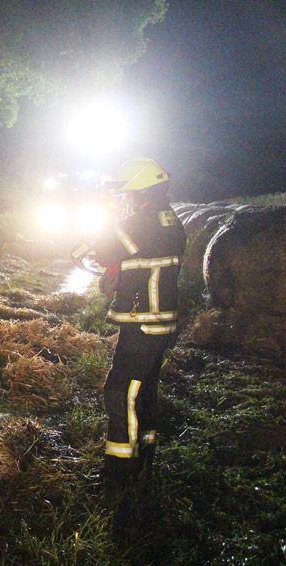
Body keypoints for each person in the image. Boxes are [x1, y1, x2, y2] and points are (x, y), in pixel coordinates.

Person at [93, 158, 187, 487]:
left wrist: (106, 222)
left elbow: (101, 250)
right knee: (144, 390)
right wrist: (118, 269)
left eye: (128, 194)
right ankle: (144, 454)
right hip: (157, 320)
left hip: (144, 321)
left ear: (142, 192)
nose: (126, 200)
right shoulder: (169, 219)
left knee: (120, 391)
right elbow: (133, 257)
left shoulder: (142, 221)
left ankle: (120, 471)